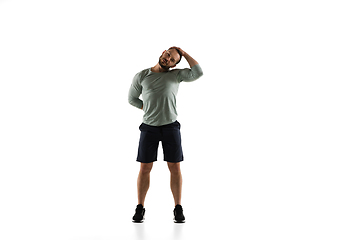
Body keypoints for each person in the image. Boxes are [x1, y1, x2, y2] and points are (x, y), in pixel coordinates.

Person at [128, 46, 203, 223]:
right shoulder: (142, 75)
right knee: (145, 168)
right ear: (163, 52)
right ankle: (140, 207)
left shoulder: (176, 75)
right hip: (149, 128)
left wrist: (183, 54)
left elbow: (198, 72)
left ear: (175, 64)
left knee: (175, 168)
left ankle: (178, 208)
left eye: (173, 60)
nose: (168, 59)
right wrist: (148, 108)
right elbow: (132, 99)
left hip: (171, 128)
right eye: (168, 55)